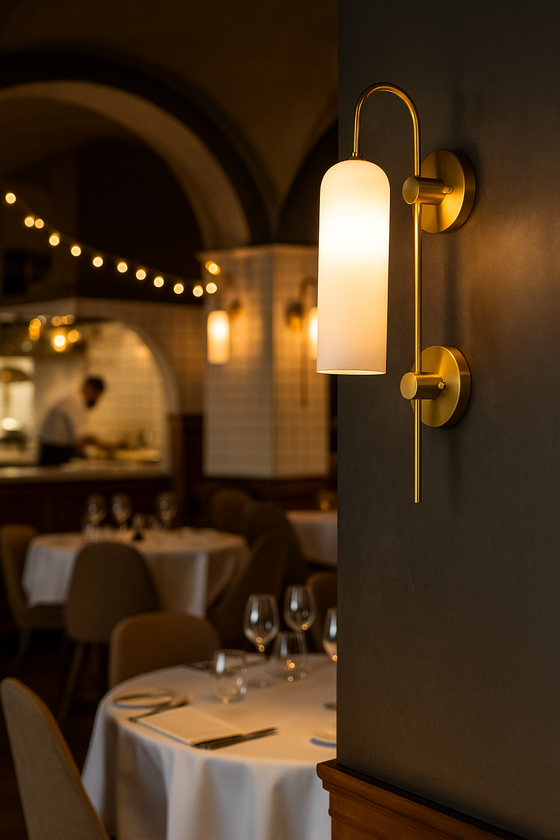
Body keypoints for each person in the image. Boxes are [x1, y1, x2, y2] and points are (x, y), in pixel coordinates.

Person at [38, 377, 106, 466]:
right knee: (54, 475)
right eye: (97, 396)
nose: (96, 400)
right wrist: (105, 445)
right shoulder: (75, 402)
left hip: (55, 449)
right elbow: (82, 437)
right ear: (89, 389)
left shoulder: (73, 400)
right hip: (55, 452)